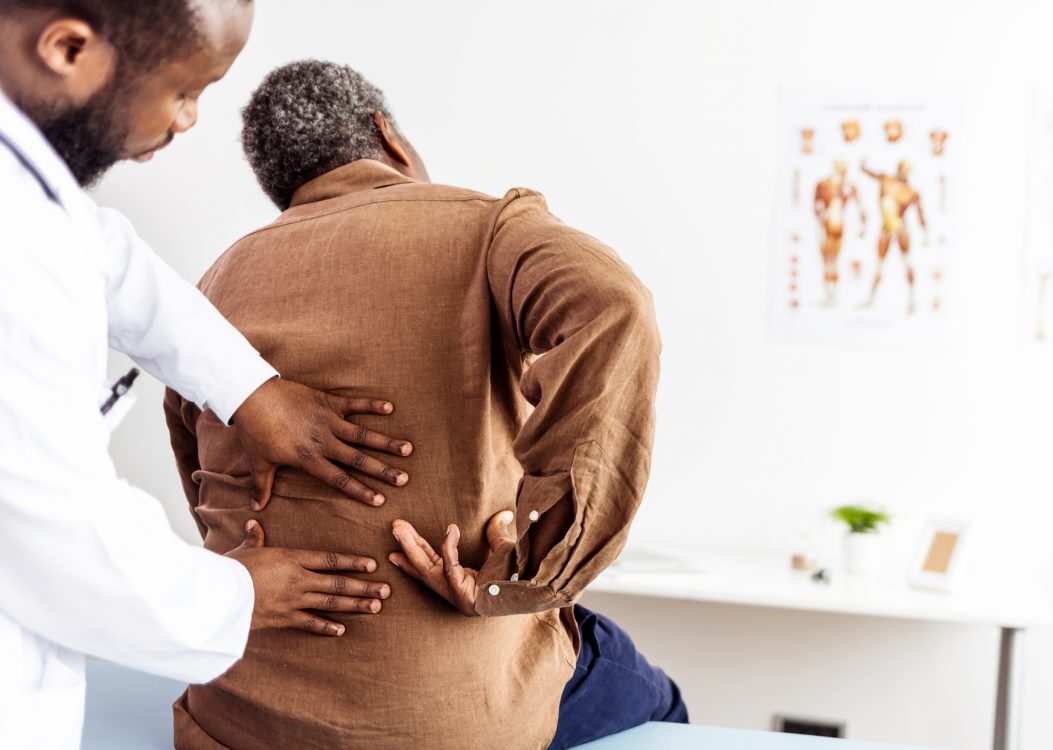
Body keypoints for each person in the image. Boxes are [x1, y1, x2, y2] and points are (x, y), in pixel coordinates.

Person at [163, 60, 684, 749]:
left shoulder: (216, 283)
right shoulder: (487, 230)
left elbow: (204, 485)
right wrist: (526, 571)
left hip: (234, 718)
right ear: (390, 137)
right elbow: (612, 307)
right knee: (663, 703)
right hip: (442, 723)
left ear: (283, 190)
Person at [0, 4, 417, 747]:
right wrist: (238, 593)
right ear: (68, 48)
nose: (189, 120)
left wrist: (250, 391)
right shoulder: (14, 249)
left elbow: (108, 259)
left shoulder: (34, 203)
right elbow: (57, 536)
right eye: (186, 91)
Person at [860, 158, 928, 314]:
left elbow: (920, 214)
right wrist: (862, 165)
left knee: (906, 262)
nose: (903, 173)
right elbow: (871, 174)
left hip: (900, 228)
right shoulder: (886, 180)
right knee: (879, 263)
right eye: (902, 169)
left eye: (906, 170)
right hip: (886, 228)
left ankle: (912, 300)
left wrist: (925, 232)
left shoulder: (911, 192)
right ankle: (870, 298)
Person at [812, 159, 866, 307]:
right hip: (826, 225)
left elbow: (859, 207)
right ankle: (828, 295)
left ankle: (833, 296)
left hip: (838, 227)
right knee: (826, 261)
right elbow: (816, 205)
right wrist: (823, 215)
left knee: (833, 261)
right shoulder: (823, 185)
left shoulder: (848, 187)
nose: (842, 173)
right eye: (839, 170)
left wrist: (862, 225)